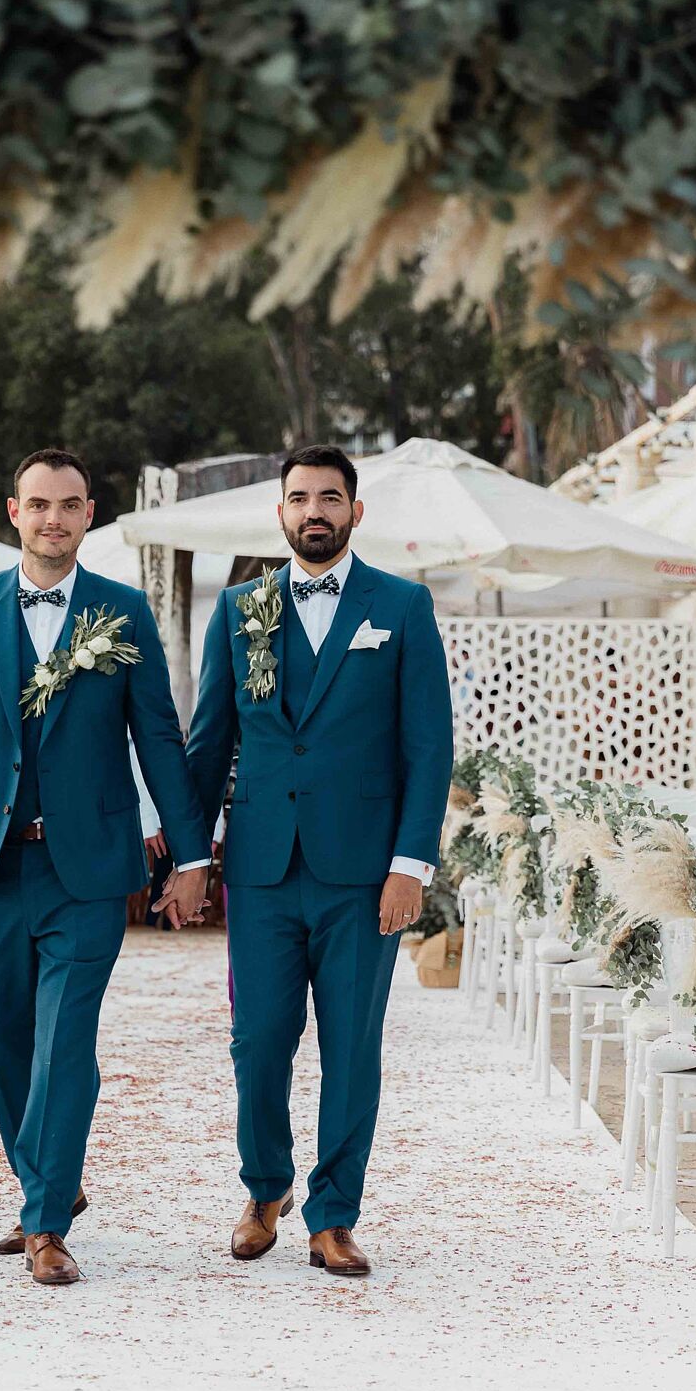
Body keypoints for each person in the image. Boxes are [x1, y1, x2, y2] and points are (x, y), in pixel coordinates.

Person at [0, 449, 210, 1287]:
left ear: (88, 514)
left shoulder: (123, 611)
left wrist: (190, 854)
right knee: (5, 1045)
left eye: (69, 506)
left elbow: (158, 739)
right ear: (13, 512)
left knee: (65, 1043)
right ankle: (51, 1187)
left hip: (90, 871)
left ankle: (42, 1225)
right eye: (38, 505)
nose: (53, 519)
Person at [159, 443, 453, 1277]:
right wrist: (190, 855)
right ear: (280, 513)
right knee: (256, 1042)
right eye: (299, 498)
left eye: (329, 497)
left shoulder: (401, 606)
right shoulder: (240, 607)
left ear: (355, 513)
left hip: (363, 873)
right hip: (259, 869)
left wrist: (411, 865)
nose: (313, 511)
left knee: (350, 1049)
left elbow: (427, 747)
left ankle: (333, 1216)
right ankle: (264, 1190)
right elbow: (209, 738)